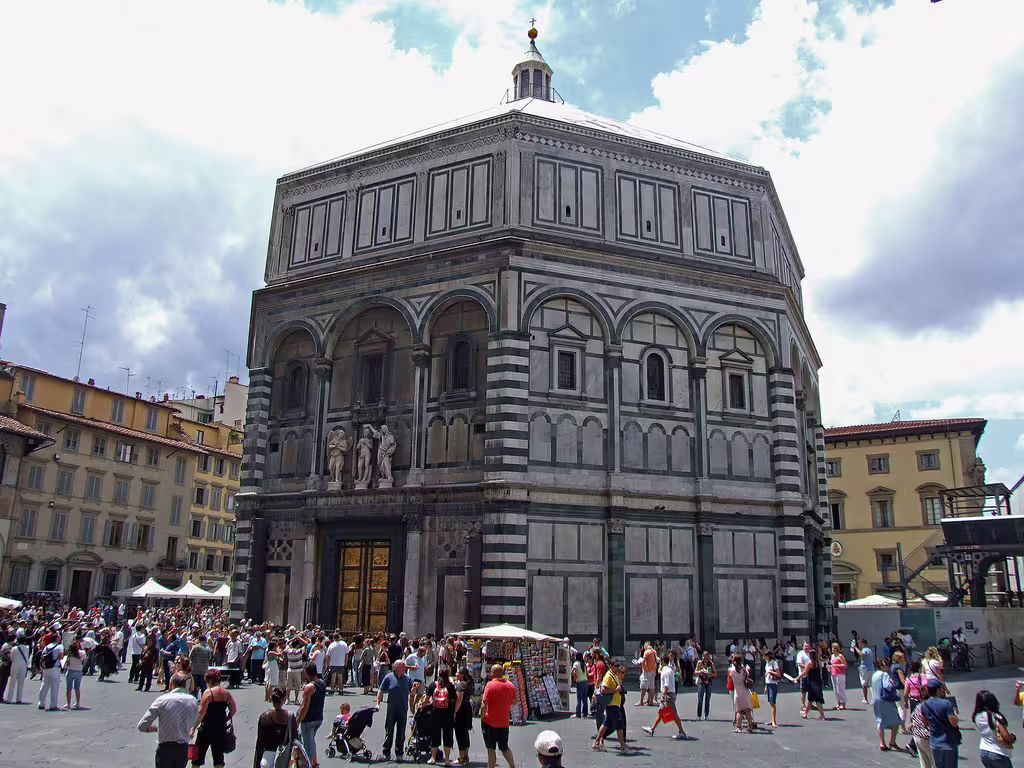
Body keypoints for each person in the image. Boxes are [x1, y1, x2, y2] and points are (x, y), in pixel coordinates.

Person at [138, 672, 201, 768]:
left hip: (165, 748)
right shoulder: (193, 701)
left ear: (171, 684)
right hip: (182, 748)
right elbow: (193, 721)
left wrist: (157, 728)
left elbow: (142, 725)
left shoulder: (162, 700)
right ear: (185, 685)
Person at [191, 668, 237, 768]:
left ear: (210, 681)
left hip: (206, 728)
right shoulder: (226, 694)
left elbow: (201, 713)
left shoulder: (208, 693)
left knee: (197, 757)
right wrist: (226, 719)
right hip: (220, 728)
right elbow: (233, 709)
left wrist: (193, 728)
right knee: (218, 758)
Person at [641, 653, 687, 740]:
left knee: (674, 714)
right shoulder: (669, 670)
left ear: (662, 661)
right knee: (661, 713)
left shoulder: (665, 672)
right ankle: (652, 729)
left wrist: (663, 696)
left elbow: (666, 685)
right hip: (669, 694)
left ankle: (682, 732)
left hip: (668, 695)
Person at [376, 659, 414, 762]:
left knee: (401, 733)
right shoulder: (389, 677)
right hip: (392, 709)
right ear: (397, 668)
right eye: (403, 667)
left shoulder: (408, 678)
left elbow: (412, 692)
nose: (405, 668)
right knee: (389, 731)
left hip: (403, 709)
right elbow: (381, 690)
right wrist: (378, 704)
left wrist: (414, 690)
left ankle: (399, 754)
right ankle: (386, 753)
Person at [482, 664, 519, 768]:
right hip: (504, 722)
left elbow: (484, 704)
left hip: (490, 721)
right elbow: (515, 702)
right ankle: (512, 766)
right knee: (504, 747)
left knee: (491, 748)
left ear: (493, 674)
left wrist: (482, 717)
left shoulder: (490, 685)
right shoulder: (510, 685)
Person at [255, 687, 298, 768]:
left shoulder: (263, 717)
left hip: (267, 758)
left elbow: (260, 742)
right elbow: (294, 739)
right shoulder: (290, 716)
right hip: (284, 758)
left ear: (271, 698)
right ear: (284, 700)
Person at [921, 679, 959, 768]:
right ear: (938, 690)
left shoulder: (924, 705)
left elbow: (925, 724)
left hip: (935, 744)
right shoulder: (946, 703)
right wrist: (956, 715)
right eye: (942, 688)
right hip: (948, 743)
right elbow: (954, 723)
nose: (944, 690)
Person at [973, 690, 1015, 768]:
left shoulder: (977, 716)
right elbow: (1006, 736)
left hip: (984, 751)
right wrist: (1013, 738)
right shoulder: (995, 716)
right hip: (997, 752)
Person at [297, 663, 327, 768]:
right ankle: (314, 763)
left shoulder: (309, 687)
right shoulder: (322, 683)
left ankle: (309, 764)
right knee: (311, 741)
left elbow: (305, 707)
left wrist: (297, 721)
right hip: (318, 717)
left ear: (307, 673)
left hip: (308, 719)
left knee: (307, 744)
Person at [426, 666, 457, 765]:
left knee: (435, 735)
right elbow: (453, 700)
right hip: (448, 715)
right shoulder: (450, 686)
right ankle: (447, 760)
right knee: (447, 736)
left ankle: (433, 758)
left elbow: (426, 699)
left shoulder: (433, 685)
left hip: (435, 714)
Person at [872, 658, 903, 750]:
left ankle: (882, 743)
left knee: (880, 720)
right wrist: (892, 683)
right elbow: (887, 686)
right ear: (882, 666)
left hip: (876, 700)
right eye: (886, 665)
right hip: (885, 700)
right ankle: (892, 741)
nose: (888, 667)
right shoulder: (884, 674)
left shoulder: (874, 675)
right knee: (895, 721)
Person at [729, 654, 757, 734]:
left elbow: (731, 680)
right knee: (747, 710)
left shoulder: (731, 670)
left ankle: (739, 727)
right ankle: (750, 727)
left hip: (738, 691)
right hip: (745, 690)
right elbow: (748, 675)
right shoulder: (743, 668)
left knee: (739, 711)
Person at [453, 667, 474, 766]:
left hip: (461, 710)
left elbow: (459, 700)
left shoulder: (461, 685)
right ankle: (466, 756)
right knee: (465, 733)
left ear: (462, 675)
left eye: (458, 673)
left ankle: (462, 757)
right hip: (467, 709)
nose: (456, 674)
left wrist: (454, 712)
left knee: (460, 733)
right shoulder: (468, 683)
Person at [38, 633, 64, 711]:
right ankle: (53, 705)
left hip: (46, 668)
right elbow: (61, 657)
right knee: (54, 687)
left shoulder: (46, 647)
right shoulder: (60, 646)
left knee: (44, 685)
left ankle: (41, 703)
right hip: (55, 667)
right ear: (57, 639)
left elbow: (42, 656)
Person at [64, 638, 87, 709]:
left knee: (69, 688)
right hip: (79, 671)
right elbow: (85, 662)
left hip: (71, 670)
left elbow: (67, 664)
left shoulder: (69, 655)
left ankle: (68, 704)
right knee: (77, 688)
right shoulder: (82, 653)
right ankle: (78, 703)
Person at [8, 635, 31, 704]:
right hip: (23, 666)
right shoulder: (27, 648)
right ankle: (19, 699)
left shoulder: (14, 648)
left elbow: (11, 658)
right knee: (21, 683)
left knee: (12, 682)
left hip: (15, 665)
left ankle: (9, 698)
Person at [764, 649, 782, 728]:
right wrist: (765, 686)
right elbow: (766, 676)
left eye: (765, 656)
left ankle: (774, 721)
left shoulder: (774, 663)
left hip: (773, 684)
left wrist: (770, 672)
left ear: (768, 656)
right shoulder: (767, 663)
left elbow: (778, 674)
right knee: (771, 703)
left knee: (773, 703)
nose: (764, 657)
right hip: (768, 683)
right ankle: (772, 719)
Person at [695, 650, 715, 720]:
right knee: (700, 699)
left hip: (709, 682)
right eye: (704, 658)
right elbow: (695, 672)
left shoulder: (711, 664)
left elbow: (715, 674)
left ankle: (706, 715)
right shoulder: (700, 663)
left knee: (707, 699)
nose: (705, 660)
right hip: (701, 681)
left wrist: (710, 674)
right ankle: (699, 715)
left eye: (707, 658)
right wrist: (700, 671)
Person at [855, 638, 875, 704]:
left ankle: (865, 699)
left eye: (860, 644)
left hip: (865, 669)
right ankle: (873, 699)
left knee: (864, 684)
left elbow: (861, 654)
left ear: (863, 644)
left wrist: (855, 648)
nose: (860, 645)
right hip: (871, 669)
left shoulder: (865, 650)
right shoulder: (869, 650)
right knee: (871, 685)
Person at [830, 642, 848, 710]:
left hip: (840, 674)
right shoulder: (832, 656)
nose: (833, 649)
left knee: (840, 689)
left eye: (834, 648)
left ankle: (843, 703)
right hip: (833, 673)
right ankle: (838, 703)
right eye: (832, 648)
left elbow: (845, 665)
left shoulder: (840, 656)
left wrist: (836, 665)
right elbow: (832, 664)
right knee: (835, 689)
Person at [571, 652, 588, 718]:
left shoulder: (576, 663)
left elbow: (572, 671)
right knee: (584, 699)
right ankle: (585, 713)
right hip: (585, 682)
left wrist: (574, 675)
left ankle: (578, 714)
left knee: (579, 699)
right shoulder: (584, 664)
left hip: (580, 682)